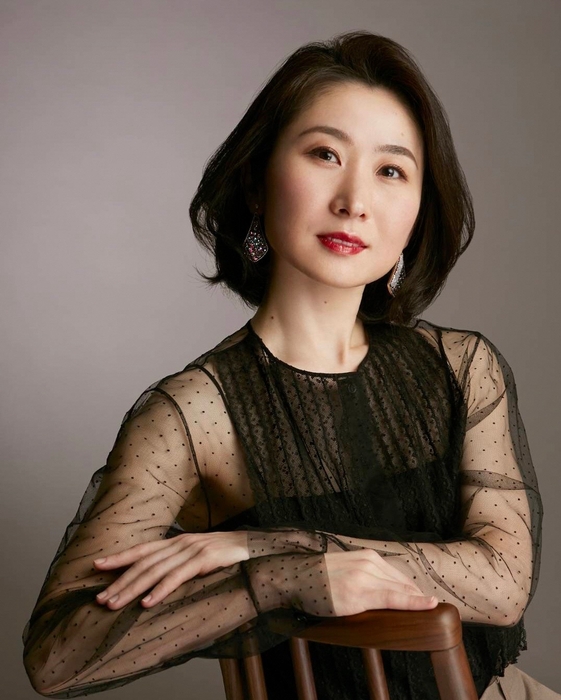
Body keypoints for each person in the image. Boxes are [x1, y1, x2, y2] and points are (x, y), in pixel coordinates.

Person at [22, 31, 557, 700]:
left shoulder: (462, 368)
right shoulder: (194, 414)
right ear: (256, 179)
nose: (354, 200)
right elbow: (55, 657)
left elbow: (501, 584)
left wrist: (261, 545)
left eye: (391, 170)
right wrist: (277, 581)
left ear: (419, 208)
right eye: (324, 154)